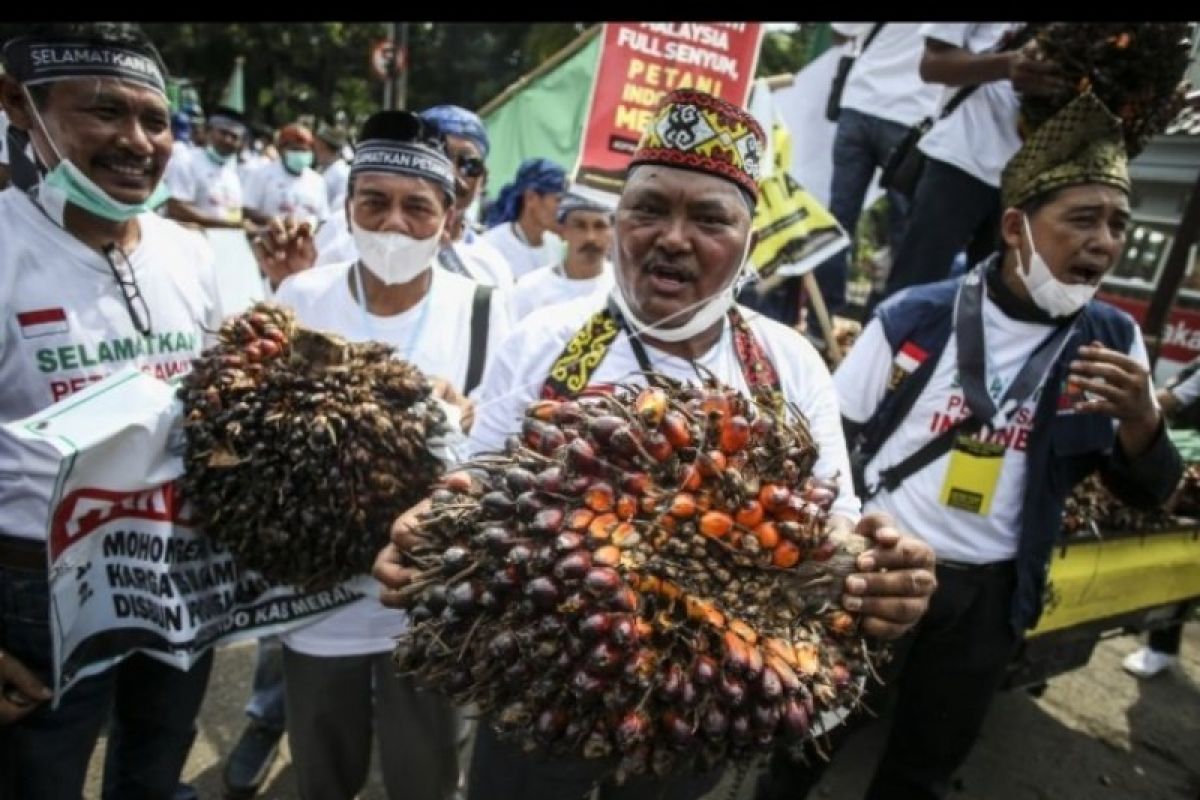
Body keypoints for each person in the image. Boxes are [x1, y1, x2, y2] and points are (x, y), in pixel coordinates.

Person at [373, 88, 939, 800]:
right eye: (648, 209)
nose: (672, 237)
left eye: (709, 218)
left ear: (748, 241)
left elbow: (833, 530)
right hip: (542, 694)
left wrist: (878, 579)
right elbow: (474, 482)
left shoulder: (788, 364)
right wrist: (429, 528)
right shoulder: (547, 340)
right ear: (617, 224)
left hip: (689, 716)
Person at [767, 90, 1184, 800]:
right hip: (880, 573)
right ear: (1017, 227)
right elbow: (827, 443)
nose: (1105, 243)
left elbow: (1149, 492)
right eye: (1082, 220)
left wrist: (1144, 420)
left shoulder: (1112, 341)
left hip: (990, 601)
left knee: (923, 769)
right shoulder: (915, 316)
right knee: (806, 746)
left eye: (1118, 223)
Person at [250, 109, 511, 800]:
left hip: (429, 600)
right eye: (375, 202)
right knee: (322, 765)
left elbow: (505, 444)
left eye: (417, 208)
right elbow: (257, 426)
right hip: (319, 599)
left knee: (424, 771)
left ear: (450, 218)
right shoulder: (303, 297)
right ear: (348, 207)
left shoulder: (484, 308)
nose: (394, 224)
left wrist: (470, 416)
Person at [0, 23, 222, 799]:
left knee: (157, 763)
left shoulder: (192, 254)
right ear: (18, 105)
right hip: (35, 595)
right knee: (40, 777)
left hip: (180, 567)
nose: (136, 141)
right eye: (103, 113)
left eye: (155, 120)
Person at [880, 23, 1064, 301]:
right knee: (913, 290)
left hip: (1032, 180)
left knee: (997, 304)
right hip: (961, 160)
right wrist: (1006, 66)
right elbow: (932, 64)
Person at [811, 23, 941, 316]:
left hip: (859, 105)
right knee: (904, 229)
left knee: (839, 219)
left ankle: (823, 322)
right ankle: (885, 322)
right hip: (911, 119)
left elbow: (839, 33)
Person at [1120, 358, 1200, 678]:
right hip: (1183, 462)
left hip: (1189, 473)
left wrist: (1133, 407)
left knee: (1181, 564)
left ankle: (1162, 648)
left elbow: (1169, 401)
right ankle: (1162, 646)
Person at [420, 104, 514, 287]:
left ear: (484, 180)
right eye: (441, 157)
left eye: (469, 165)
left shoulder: (492, 267)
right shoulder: (370, 244)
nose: (452, 173)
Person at [511, 189, 614, 320]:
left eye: (600, 226)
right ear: (563, 231)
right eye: (580, 226)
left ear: (613, 233)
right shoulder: (529, 289)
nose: (590, 237)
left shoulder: (625, 289)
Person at [481, 157, 566, 280]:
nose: (563, 208)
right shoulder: (492, 245)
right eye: (558, 200)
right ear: (531, 198)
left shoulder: (556, 247)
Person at [163, 105, 248, 229]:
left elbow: (235, 214)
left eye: (234, 137)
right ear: (208, 132)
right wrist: (227, 225)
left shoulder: (232, 174)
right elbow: (176, 208)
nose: (228, 140)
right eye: (223, 133)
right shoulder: (186, 161)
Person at [242, 122, 329, 228]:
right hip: (268, 239)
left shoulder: (317, 181)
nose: (300, 154)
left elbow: (323, 219)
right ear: (281, 150)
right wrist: (272, 221)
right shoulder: (262, 174)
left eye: (304, 150)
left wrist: (309, 225)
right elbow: (247, 210)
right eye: (295, 149)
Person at [313, 120, 351, 209]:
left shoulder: (342, 173)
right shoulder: (321, 169)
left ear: (323, 145)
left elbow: (340, 206)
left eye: (317, 144)